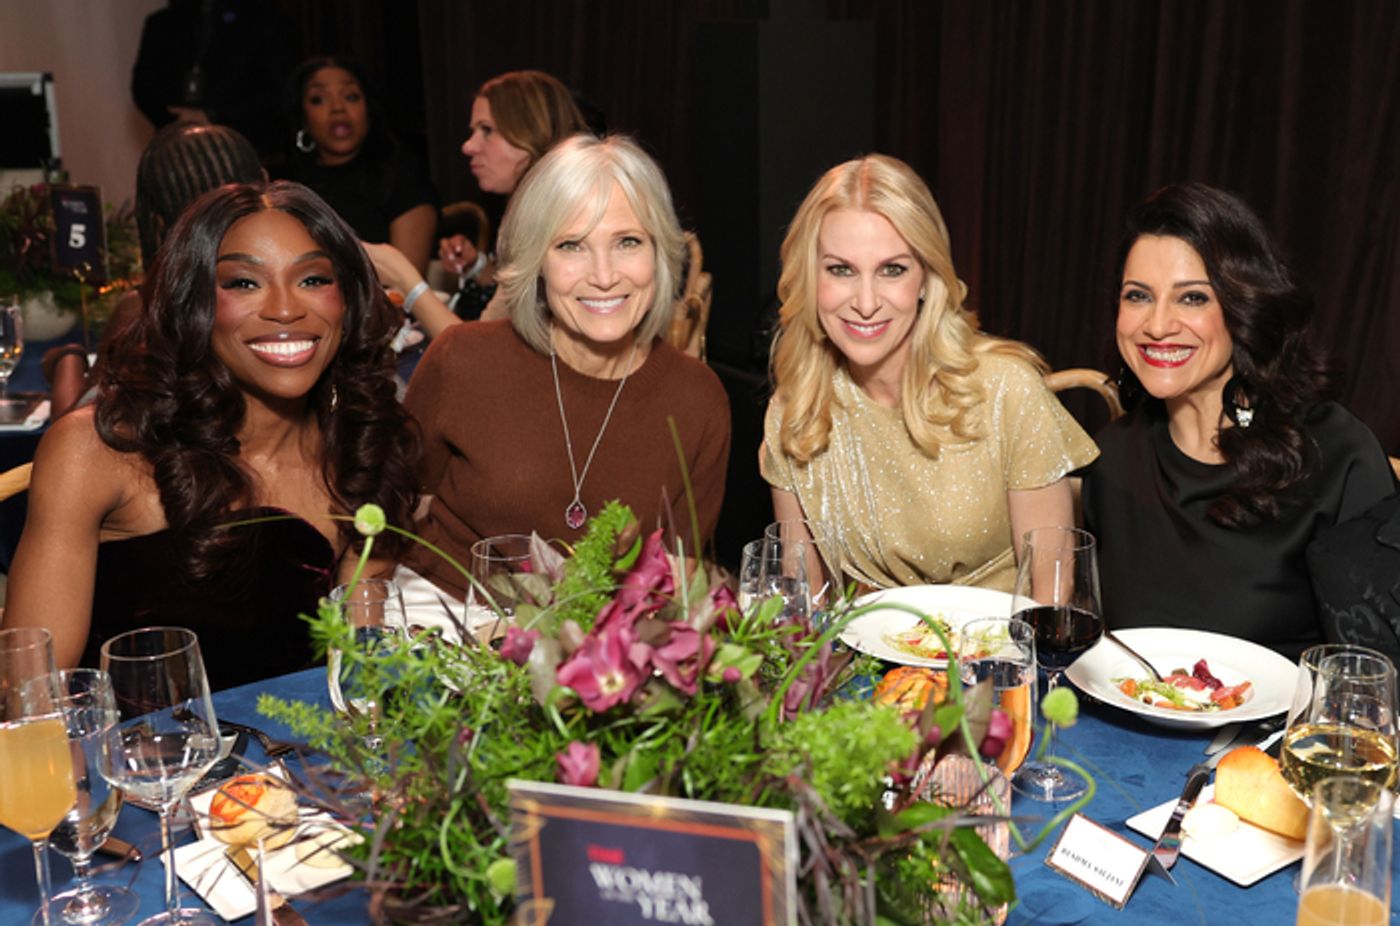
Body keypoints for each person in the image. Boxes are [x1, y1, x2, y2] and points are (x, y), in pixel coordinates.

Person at [3, 181, 418, 689]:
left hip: (305, 762)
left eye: (312, 279)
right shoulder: (97, 453)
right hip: (135, 763)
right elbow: (29, 693)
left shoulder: (362, 448)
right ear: (192, 300)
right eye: (244, 283)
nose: (286, 309)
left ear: (348, 301)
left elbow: (358, 677)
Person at [395, 134, 730, 628]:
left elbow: (679, 584)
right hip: (445, 620)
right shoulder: (462, 359)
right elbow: (394, 512)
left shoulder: (698, 399)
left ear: (659, 253)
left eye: (627, 242)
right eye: (571, 245)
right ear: (537, 261)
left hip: (606, 643)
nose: (603, 275)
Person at [1081, 182, 1395, 659]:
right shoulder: (1113, 459)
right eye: (1138, 296)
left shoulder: (1335, 454)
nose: (1158, 325)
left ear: (1243, 307)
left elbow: (1376, 678)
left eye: (1192, 299)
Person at [762, 154, 1097, 592]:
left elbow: (1052, 593)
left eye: (892, 270)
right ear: (810, 276)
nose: (865, 301)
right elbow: (800, 601)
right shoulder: (795, 409)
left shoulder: (1006, 389)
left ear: (925, 278)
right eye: (841, 270)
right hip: (869, 655)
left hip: (1005, 650)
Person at [45, 123, 266, 417]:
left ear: (158, 224)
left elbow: (73, 431)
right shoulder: (293, 289)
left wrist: (67, 359)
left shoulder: (149, 309)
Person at [370, 70, 588, 336]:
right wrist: (478, 267)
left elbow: (475, 351)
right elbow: (517, 293)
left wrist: (403, 277)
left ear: (533, 134)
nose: (468, 146)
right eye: (474, 131)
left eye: (487, 130)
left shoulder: (553, 223)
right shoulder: (539, 206)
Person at [281, 57, 439, 276]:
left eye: (351, 97)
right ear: (303, 119)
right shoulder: (290, 188)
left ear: (368, 108)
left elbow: (406, 285)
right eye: (318, 100)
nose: (338, 108)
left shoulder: (401, 175)